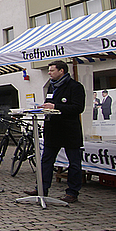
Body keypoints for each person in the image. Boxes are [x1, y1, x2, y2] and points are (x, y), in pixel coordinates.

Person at [25, 60, 85, 203]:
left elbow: (78, 108)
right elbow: (51, 105)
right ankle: (41, 188)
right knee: (46, 161)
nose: (49, 73)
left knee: (74, 163)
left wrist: (56, 106)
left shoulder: (75, 87)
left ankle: (72, 192)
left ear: (61, 71)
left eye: (52, 70)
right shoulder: (52, 87)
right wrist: (44, 108)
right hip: (53, 130)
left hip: (70, 131)